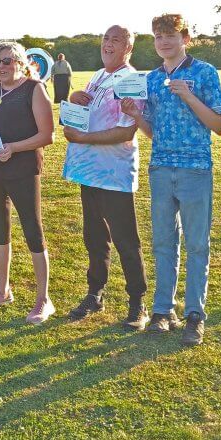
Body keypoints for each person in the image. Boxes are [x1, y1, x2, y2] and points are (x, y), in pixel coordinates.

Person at [122, 14, 221, 346]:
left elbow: (219, 125)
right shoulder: (151, 79)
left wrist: (189, 96)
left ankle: (195, 314)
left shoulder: (204, 73)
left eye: (170, 35)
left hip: (196, 168)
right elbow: (154, 132)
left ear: (185, 38)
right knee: (164, 243)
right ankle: (162, 310)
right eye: (157, 36)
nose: (163, 42)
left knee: (197, 244)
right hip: (161, 169)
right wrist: (136, 116)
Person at [62, 26, 149, 330]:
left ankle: (138, 302)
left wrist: (83, 138)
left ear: (128, 48)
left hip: (113, 174)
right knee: (95, 238)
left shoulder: (131, 80)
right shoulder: (99, 75)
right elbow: (86, 112)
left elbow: (126, 131)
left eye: (116, 40)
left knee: (126, 239)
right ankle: (94, 293)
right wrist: (74, 98)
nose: (108, 44)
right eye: (105, 39)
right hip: (90, 171)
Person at [0, 41, 55, 324]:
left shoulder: (34, 89)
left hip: (23, 170)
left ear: (21, 62)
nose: (3, 66)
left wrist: (14, 148)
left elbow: (47, 135)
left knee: (33, 229)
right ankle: (3, 290)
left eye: (8, 61)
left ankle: (43, 299)